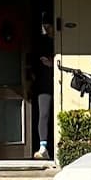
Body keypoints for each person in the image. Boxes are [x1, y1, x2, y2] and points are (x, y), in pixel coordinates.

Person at [32, 16, 57, 160]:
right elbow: (41, 61)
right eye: (45, 27)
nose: (47, 29)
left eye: (49, 26)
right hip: (44, 85)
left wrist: (53, 63)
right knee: (44, 114)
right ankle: (43, 147)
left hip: (59, 82)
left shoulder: (60, 42)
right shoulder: (42, 43)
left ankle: (55, 147)